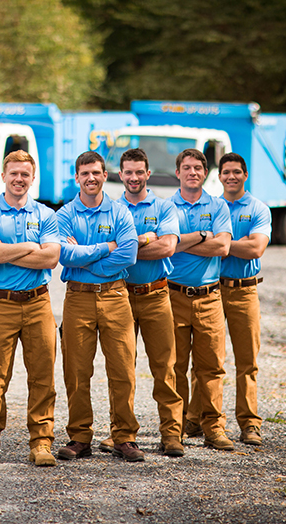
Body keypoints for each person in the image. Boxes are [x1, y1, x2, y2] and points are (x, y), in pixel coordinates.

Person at [0, 150, 61, 468]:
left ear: (32, 178)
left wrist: (4, 250)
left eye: (25, 174)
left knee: (42, 375)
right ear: (3, 176)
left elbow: (50, 258)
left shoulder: (46, 214)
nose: (19, 179)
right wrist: (27, 247)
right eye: (14, 173)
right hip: (2, 303)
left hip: (39, 302)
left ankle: (41, 442)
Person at [56, 151, 144, 463]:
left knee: (122, 368)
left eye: (96, 172)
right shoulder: (65, 215)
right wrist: (105, 248)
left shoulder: (120, 213)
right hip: (77, 297)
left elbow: (129, 255)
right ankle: (80, 437)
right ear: (76, 178)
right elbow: (65, 256)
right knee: (76, 369)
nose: (91, 178)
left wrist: (86, 257)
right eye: (85, 173)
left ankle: (124, 437)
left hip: (115, 296)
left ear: (105, 176)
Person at [184, 153, 271, 446]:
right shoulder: (212, 206)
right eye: (226, 172)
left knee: (247, 361)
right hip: (213, 290)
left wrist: (216, 244)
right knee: (206, 359)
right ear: (218, 176)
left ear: (245, 175)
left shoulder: (258, 208)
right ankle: (195, 420)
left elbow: (256, 248)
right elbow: (239, 245)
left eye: (237, 172)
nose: (231, 176)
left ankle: (249, 424)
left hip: (245, 291)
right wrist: (225, 244)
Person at [106, 148, 185, 457]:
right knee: (122, 369)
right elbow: (104, 251)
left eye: (140, 172)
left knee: (165, 367)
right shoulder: (110, 208)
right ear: (120, 175)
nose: (134, 177)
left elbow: (167, 247)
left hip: (156, 295)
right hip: (120, 295)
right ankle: (123, 435)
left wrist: (124, 246)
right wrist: (145, 238)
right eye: (128, 172)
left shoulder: (165, 207)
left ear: (148, 174)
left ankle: (171, 434)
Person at [166, 148, 234, 451]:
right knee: (175, 366)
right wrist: (202, 236)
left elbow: (222, 248)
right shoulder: (167, 207)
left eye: (198, 168)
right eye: (187, 168)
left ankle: (214, 428)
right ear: (177, 173)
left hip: (209, 297)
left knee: (211, 366)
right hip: (173, 295)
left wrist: (185, 241)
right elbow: (167, 246)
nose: (192, 172)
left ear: (205, 174)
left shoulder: (218, 206)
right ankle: (175, 429)